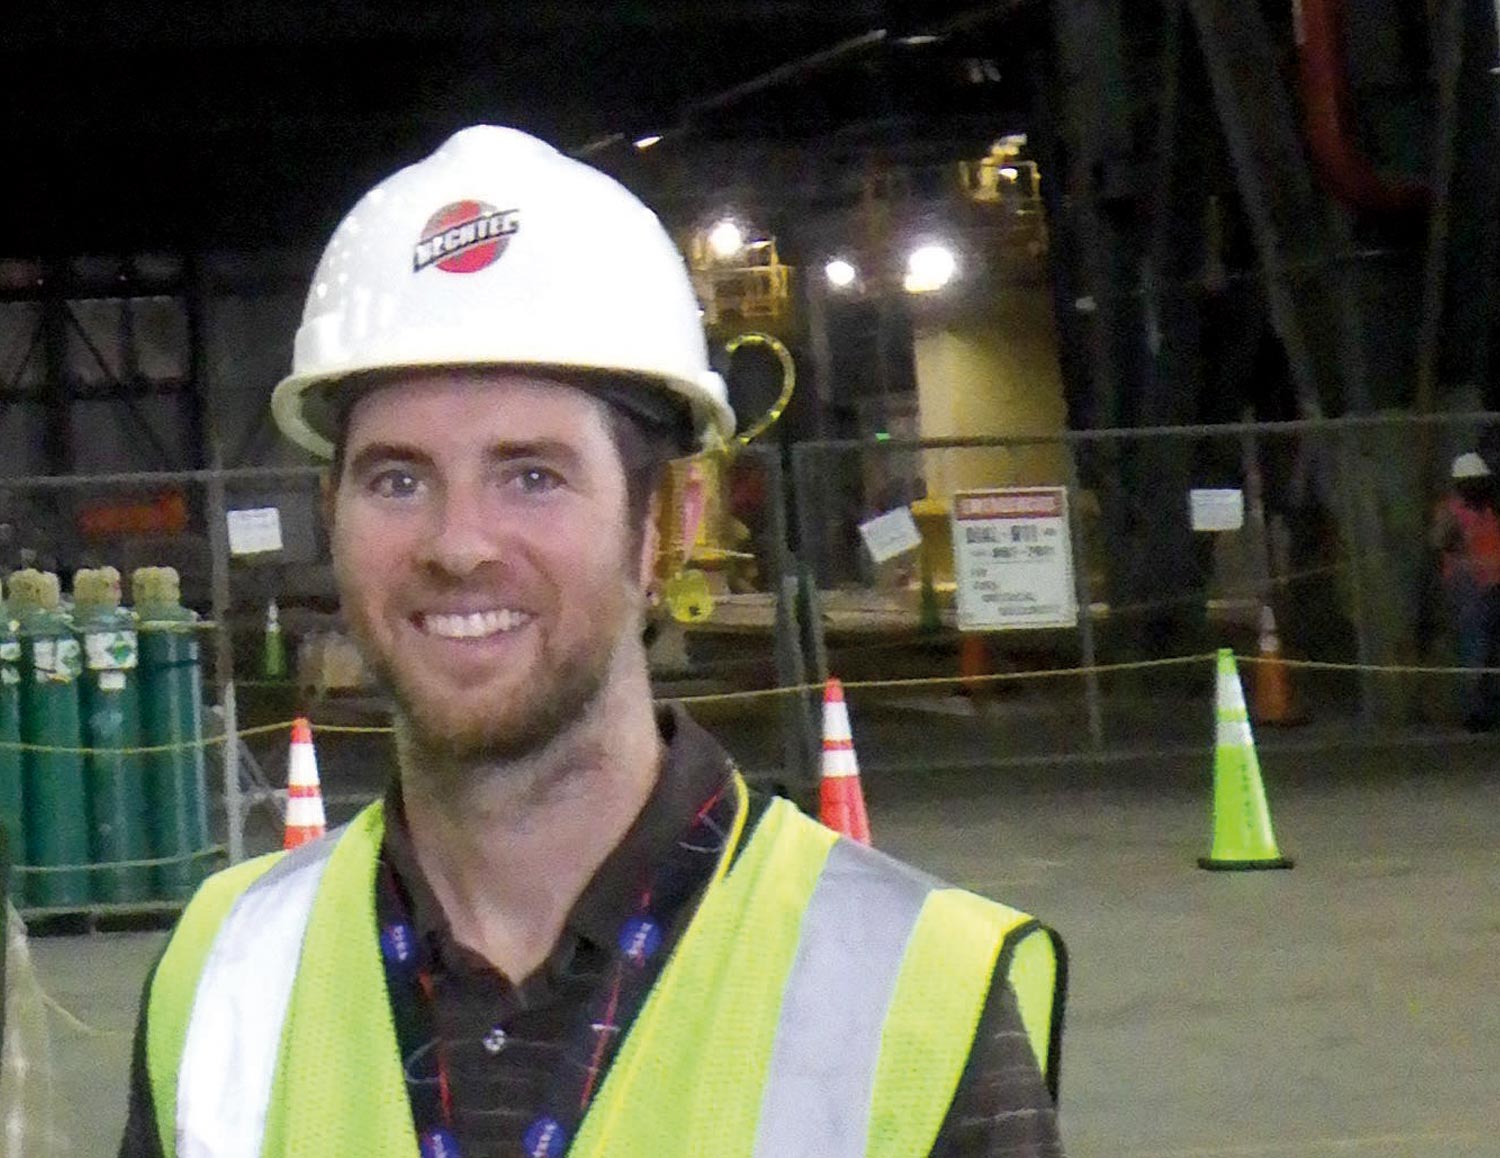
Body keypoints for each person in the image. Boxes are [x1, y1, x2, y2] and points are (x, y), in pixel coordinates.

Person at [118, 126, 1066, 1158]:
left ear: (673, 523)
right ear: (331, 511)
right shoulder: (220, 978)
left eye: (533, 474)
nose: (458, 544)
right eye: (397, 478)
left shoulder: (908, 1002)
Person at [1431, 451, 1500, 730]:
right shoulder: (1451, 510)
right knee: (1475, 648)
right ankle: (1476, 711)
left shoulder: (1490, 508)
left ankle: (1486, 707)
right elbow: (1439, 543)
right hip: (1468, 588)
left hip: (1492, 585)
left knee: (1488, 649)